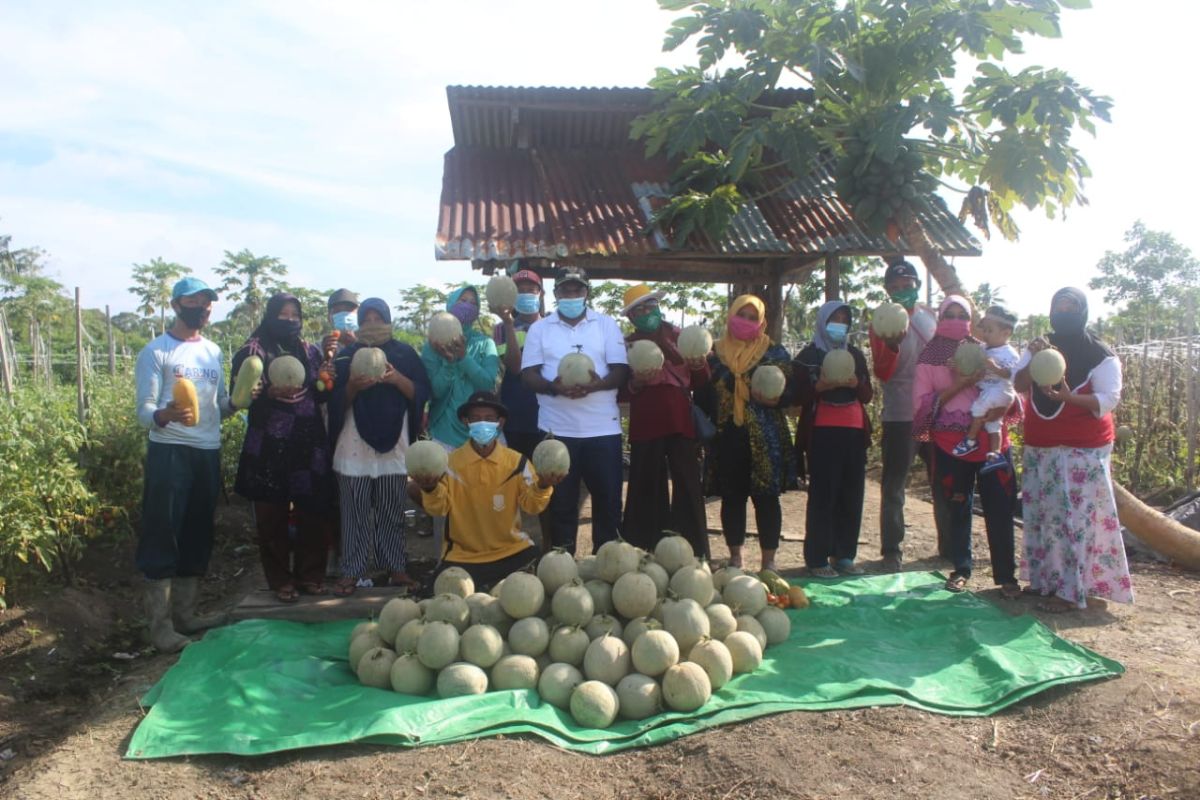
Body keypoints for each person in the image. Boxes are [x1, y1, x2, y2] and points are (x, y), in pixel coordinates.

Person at [1014, 287, 1133, 613]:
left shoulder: (1100, 355)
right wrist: (1031, 357)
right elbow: (1019, 385)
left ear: (1082, 312)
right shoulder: (1041, 348)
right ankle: (1044, 583)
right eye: (1058, 307)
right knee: (1043, 519)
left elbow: (1108, 400)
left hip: (1081, 452)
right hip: (1042, 450)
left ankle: (1072, 593)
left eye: (1070, 307)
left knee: (1075, 523)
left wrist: (1068, 399)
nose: (1063, 313)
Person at [134, 277, 233, 653]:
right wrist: (165, 414)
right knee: (163, 532)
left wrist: (239, 401)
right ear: (176, 306)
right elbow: (143, 411)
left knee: (197, 531)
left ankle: (187, 616)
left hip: (206, 449)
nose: (203, 310)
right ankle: (160, 627)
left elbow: (219, 406)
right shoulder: (157, 352)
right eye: (195, 303)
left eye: (207, 304)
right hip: (170, 450)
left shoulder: (213, 351)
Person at [912, 296, 1021, 596]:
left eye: (964, 314)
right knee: (957, 507)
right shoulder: (928, 357)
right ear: (940, 316)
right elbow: (921, 407)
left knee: (1000, 507)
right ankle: (961, 568)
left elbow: (1012, 390)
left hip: (992, 444)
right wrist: (961, 382)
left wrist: (1002, 408)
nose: (958, 320)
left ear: (972, 319)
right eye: (951, 314)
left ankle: (1006, 576)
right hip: (951, 446)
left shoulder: (986, 349)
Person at [230, 293, 334, 602]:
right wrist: (267, 393)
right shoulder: (252, 352)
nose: (289, 320)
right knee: (271, 517)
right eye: (282, 314)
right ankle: (280, 581)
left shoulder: (309, 351)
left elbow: (321, 393)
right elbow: (240, 397)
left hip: (307, 445)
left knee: (314, 512)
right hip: (268, 448)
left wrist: (328, 380)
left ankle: (310, 576)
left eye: (294, 315)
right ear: (269, 316)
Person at [520, 267, 630, 555]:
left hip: (603, 431)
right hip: (556, 432)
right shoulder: (540, 329)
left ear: (586, 293)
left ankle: (607, 567)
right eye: (565, 290)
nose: (571, 295)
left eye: (577, 290)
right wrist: (553, 387)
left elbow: (620, 371)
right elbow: (528, 375)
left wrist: (596, 386)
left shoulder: (606, 325)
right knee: (561, 505)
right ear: (555, 294)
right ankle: (562, 569)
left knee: (608, 504)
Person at [326, 298, 430, 596]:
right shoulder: (347, 357)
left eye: (377, 317)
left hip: (394, 443)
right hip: (354, 443)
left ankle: (395, 566)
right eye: (366, 319)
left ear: (387, 319)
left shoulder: (404, 354)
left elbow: (421, 393)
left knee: (391, 509)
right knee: (354, 511)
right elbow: (334, 404)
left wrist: (397, 379)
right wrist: (353, 388)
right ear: (360, 325)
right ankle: (353, 570)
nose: (372, 324)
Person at [410, 391, 564, 590]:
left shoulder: (518, 462)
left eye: (489, 418)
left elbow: (532, 506)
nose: (482, 423)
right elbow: (439, 509)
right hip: (462, 556)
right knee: (439, 601)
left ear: (500, 422)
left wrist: (543, 485)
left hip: (512, 552)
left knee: (542, 582)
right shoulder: (448, 463)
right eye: (475, 418)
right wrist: (429, 488)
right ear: (466, 422)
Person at [694, 294, 794, 572]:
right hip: (727, 438)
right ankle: (735, 557)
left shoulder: (775, 353)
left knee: (767, 499)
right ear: (731, 316)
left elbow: (792, 391)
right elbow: (701, 396)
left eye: (753, 318)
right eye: (742, 315)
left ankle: (769, 562)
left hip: (765, 438)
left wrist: (779, 399)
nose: (746, 322)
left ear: (762, 322)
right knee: (732, 498)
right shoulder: (713, 355)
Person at [620, 283, 710, 558]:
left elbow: (702, 380)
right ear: (631, 317)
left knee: (688, 485)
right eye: (640, 309)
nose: (647, 312)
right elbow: (620, 388)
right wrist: (635, 383)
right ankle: (643, 551)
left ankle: (693, 553)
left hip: (680, 422)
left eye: (651, 306)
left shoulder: (680, 336)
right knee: (645, 486)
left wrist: (699, 365)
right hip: (646, 423)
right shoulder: (626, 344)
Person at [793, 301, 873, 577]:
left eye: (844, 319)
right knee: (823, 496)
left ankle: (844, 555)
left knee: (851, 494)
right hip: (822, 433)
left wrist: (856, 385)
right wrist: (818, 388)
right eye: (834, 319)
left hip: (853, 431)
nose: (840, 324)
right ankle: (817, 559)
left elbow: (867, 395)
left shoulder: (855, 355)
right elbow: (795, 396)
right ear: (822, 322)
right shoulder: (808, 356)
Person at [869, 260, 937, 572]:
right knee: (895, 485)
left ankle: (949, 547)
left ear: (916, 286)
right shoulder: (881, 323)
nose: (901, 292)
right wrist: (892, 348)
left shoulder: (931, 318)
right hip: (899, 413)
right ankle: (892, 551)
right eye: (894, 288)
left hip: (935, 412)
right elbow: (882, 373)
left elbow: (944, 362)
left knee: (943, 482)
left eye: (906, 286)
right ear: (887, 292)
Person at [422, 284, 500, 548]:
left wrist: (464, 357)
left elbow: (487, 383)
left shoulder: (484, 343)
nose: (467, 306)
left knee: (484, 499)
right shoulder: (431, 348)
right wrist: (447, 360)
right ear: (450, 305)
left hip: (480, 432)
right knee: (445, 502)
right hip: (444, 432)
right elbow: (434, 391)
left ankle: (488, 554)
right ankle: (444, 559)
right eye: (461, 300)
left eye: (472, 302)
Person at [492, 268, 555, 547]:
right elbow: (514, 368)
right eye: (521, 290)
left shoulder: (554, 326)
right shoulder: (499, 329)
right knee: (511, 484)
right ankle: (510, 546)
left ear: (540, 294)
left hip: (548, 417)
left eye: (532, 289)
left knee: (547, 482)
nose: (527, 294)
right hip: (515, 416)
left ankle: (553, 549)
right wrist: (507, 323)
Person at [951, 305, 1020, 474]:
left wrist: (994, 367)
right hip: (989, 390)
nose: (985, 334)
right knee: (993, 425)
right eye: (985, 330)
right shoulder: (983, 348)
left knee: (978, 408)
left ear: (1006, 333)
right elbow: (971, 366)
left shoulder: (1010, 354)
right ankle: (995, 455)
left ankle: (970, 440)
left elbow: (1010, 375)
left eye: (990, 330)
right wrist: (956, 365)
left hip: (1001, 389)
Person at [323, 288, 359, 356]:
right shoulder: (318, 349)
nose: (344, 316)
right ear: (328, 317)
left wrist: (357, 345)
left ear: (358, 314)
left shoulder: (370, 344)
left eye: (349, 310)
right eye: (337, 311)